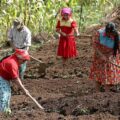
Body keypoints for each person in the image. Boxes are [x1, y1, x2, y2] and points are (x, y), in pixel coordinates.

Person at [90, 22, 120, 92]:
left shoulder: (117, 35)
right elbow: (95, 46)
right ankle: (97, 92)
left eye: (110, 33)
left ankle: (107, 93)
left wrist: (111, 56)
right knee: (98, 74)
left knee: (109, 74)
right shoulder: (99, 33)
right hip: (99, 56)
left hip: (111, 55)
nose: (108, 34)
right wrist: (102, 55)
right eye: (107, 33)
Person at [0, 49, 31, 114]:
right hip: (1, 78)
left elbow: (14, 78)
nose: (24, 62)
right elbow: (16, 79)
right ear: (19, 58)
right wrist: (24, 90)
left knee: (7, 93)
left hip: (4, 78)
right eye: (24, 60)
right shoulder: (12, 63)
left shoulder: (14, 59)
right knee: (4, 94)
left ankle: (5, 111)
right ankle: (2, 113)